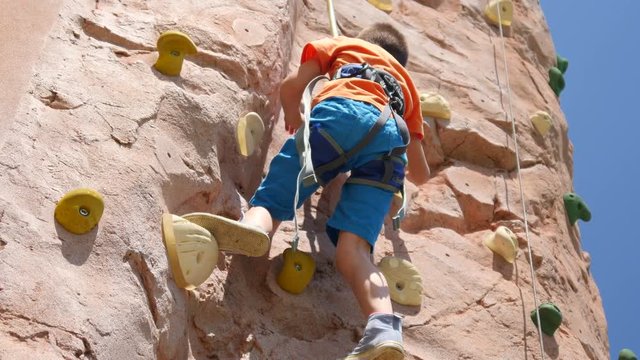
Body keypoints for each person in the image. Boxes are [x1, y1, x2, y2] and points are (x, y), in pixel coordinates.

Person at [243, 22, 430, 359]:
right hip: (390, 143)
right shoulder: (408, 86)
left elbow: (292, 86)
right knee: (355, 251)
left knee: (277, 193)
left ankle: (255, 227)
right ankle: (384, 329)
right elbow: (420, 172)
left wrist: (294, 117)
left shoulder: (342, 44)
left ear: (364, 41)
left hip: (340, 113)